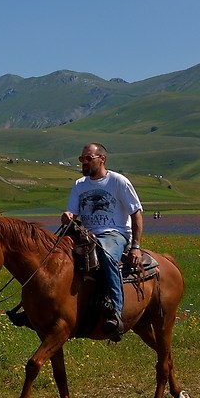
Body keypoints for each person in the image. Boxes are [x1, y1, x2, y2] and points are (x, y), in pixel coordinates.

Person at [61, 143, 144, 337]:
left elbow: (136, 214)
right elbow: (73, 212)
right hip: (86, 234)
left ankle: (115, 311)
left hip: (115, 234)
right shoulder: (79, 184)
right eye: (82, 159)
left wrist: (136, 247)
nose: (84, 162)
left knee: (105, 255)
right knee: (55, 253)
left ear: (102, 159)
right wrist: (68, 216)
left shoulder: (118, 181)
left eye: (88, 158)